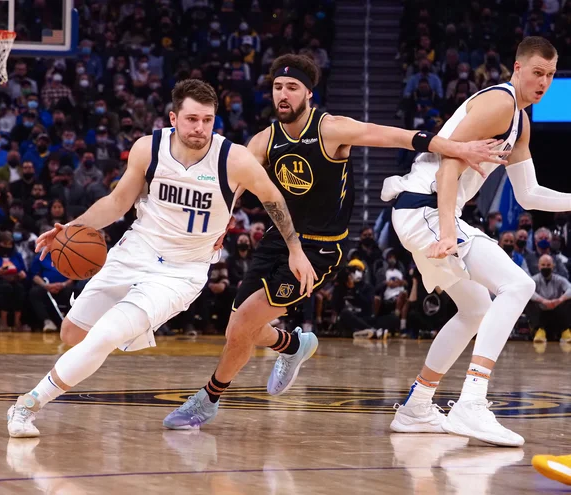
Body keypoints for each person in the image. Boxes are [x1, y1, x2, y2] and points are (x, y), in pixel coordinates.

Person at [163, 53, 508, 429]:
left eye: (292, 88)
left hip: (319, 248)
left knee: (244, 321)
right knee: (237, 331)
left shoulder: (331, 129)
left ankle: (207, 400)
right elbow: (232, 184)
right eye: (278, 87)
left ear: (308, 93)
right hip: (280, 239)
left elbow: (395, 136)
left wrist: (456, 148)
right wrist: (218, 229)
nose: (283, 94)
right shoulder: (264, 140)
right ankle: (294, 346)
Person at [6, 79, 317, 438]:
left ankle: (27, 405)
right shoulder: (148, 148)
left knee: (104, 336)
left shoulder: (233, 159)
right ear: (174, 117)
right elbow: (117, 203)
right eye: (191, 119)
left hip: (181, 273)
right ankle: (290, 343)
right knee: (74, 333)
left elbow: (273, 199)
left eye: (207, 120)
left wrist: (295, 249)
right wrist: (70, 227)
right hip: (135, 250)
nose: (200, 128)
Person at [383, 37, 567, 446]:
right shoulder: (499, 103)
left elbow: (529, 194)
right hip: (426, 208)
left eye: (551, 75)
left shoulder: (520, 120)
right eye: (537, 72)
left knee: (476, 308)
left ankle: (417, 407)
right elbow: (450, 161)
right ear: (517, 69)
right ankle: (471, 402)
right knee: (520, 284)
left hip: (427, 211)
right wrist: (449, 229)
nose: (544, 82)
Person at [530, 254, 571, 344]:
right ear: (539, 266)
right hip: (540, 311)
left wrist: (560, 300)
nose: (546, 267)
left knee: (569, 300)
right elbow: (528, 291)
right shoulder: (534, 279)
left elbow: (570, 289)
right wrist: (543, 301)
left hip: (557, 311)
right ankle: (539, 331)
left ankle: (565, 331)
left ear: (553, 266)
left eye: (548, 265)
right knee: (528, 301)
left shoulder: (560, 279)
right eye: (543, 265)